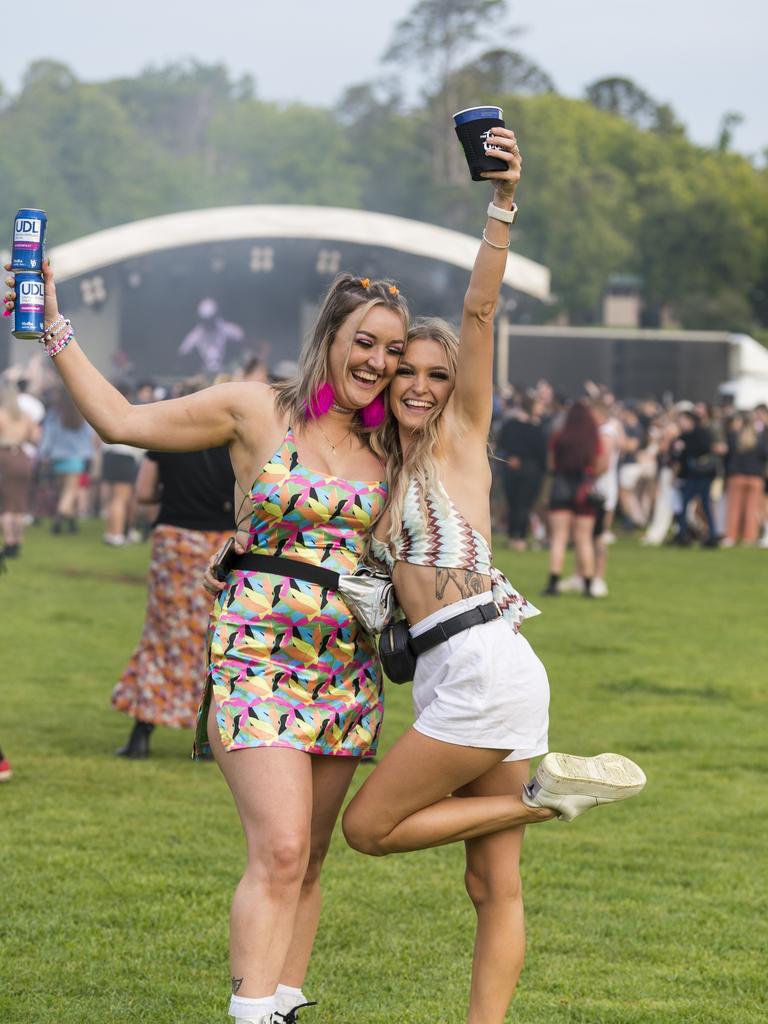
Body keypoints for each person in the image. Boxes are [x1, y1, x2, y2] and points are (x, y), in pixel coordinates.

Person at [4, 259, 408, 1024]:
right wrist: (54, 328)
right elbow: (121, 421)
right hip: (257, 659)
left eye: (391, 351)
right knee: (281, 849)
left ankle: (284, 1007)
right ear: (330, 336)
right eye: (365, 342)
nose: (377, 363)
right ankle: (252, 1014)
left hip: (345, 670)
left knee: (312, 860)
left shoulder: (392, 445)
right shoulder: (258, 411)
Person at [341, 128, 645, 1024]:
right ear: (386, 372)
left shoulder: (462, 438)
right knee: (491, 884)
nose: (423, 384)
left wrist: (502, 204)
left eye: (438, 374)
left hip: (481, 666)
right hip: (458, 669)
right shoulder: (371, 464)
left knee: (368, 830)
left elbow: (478, 312)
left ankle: (549, 799)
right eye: (409, 370)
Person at [112, 434, 236, 758]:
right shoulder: (236, 444)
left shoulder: (168, 441)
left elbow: (143, 493)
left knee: (162, 635)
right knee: (216, 638)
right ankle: (209, 739)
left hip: (175, 541)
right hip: (222, 545)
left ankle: (141, 732)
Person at [543, 401, 609, 596]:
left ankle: (553, 582)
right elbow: (600, 464)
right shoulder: (593, 438)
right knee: (584, 538)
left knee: (559, 537)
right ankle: (588, 584)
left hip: (561, 486)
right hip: (583, 489)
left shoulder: (558, 436)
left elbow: (551, 464)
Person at [36, 388, 95, 535]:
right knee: (70, 492)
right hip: (76, 457)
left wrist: (43, 454)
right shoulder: (82, 415)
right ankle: (60, 516)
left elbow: (48, 437)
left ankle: (71, 524)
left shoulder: (54, 415)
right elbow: (91, 436)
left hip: (57, 457)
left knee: (64, 491)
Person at [0, 379, 39, 558]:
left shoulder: (1, 414)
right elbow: (36, 437)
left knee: (6, 504)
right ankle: (18, 541)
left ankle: (9, 542)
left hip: (5, 457)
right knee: (20, 502)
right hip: (22, 458)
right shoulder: (26, 417)